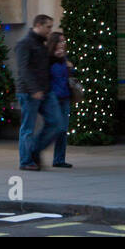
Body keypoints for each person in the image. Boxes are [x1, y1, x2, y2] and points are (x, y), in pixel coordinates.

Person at [15, 13, 60, 171]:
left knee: (56, 123)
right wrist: (34, 90)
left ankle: (34, 150)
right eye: (48, 27)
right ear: (38, 25)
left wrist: (60, 58)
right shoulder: (24, 44)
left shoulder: (42, 45)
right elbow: (23, 69)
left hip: (45, 91)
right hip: (29, 92)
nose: (50, 30)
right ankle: (26, 161)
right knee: (28, 127)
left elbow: (45, 65)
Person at [47, 31, 75, 168]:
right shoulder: (48, 57)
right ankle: (35, 149)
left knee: (63, 129)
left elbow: (70, 77)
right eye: (60, 41)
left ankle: (59, 159)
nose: (63, 44)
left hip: (65, 96)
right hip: (53, 97)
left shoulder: (65, 57)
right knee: (56, 128)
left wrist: (71, 67)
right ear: (54, 43)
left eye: (64, 41)